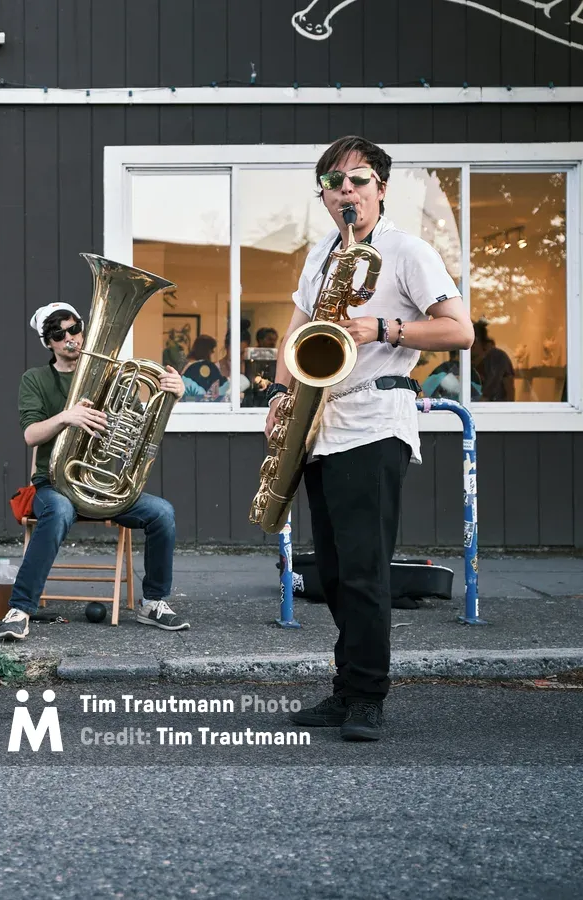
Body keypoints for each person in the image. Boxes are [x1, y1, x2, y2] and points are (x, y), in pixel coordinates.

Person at [264, 136, 474, 740]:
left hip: (376, 421)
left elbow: (459, 331)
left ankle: (366, 697)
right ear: (324, 195)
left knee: (362, 570)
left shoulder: (407, 250)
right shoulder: (318, 255)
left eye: (356, 180)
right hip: (320, 424)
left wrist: (380, 325)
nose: (345, 191)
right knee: (329, 572)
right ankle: (345, 685)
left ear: (381, 187)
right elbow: (298, 332)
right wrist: (279, 397)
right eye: (333, 183)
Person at [0, 302, 189, 641]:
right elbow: (30, 436)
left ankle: (153, 603)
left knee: (163, 513)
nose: (70, 338)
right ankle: (20, 609)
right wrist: (66, 417)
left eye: (74, 329)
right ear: (48, 342)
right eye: (59, 334)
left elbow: (143, 421)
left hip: (101, 486)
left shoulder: (112, 375)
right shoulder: (36, 379)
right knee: (58, 512)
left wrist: (173, 394)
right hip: (54, 484)